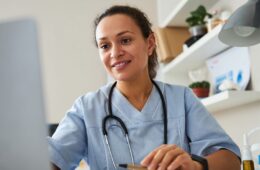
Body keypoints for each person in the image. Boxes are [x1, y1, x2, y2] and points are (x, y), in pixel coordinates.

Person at [48, 5, 241, 170]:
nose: (115, 53)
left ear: (149, 44)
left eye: (125, 40)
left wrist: (195, 164)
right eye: (105, 46)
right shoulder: (86, 108)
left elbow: (231, 159)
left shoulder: (181, 98)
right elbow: (52, 160)